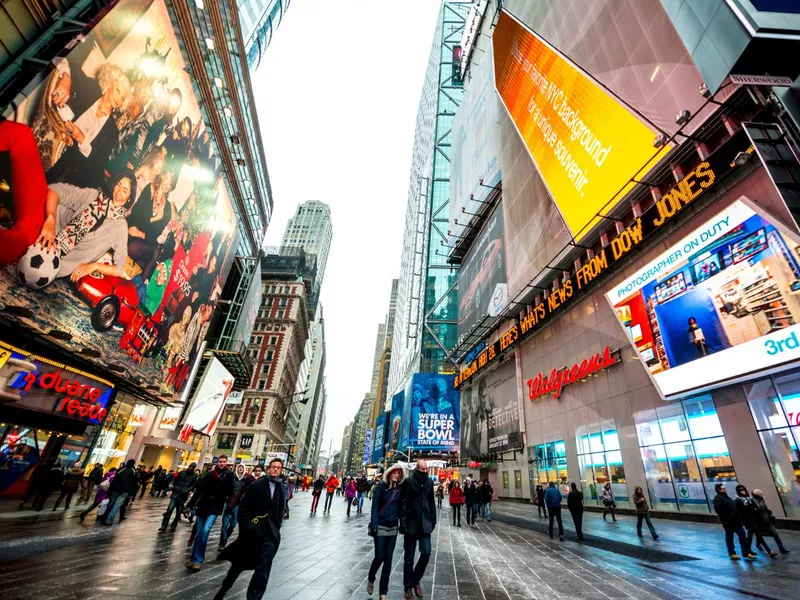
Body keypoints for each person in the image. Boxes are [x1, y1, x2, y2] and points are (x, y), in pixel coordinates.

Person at [32, 171, 136, 282]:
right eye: (118, 184)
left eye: (125, 191)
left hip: (59, 263)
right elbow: (55, 189)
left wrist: (95, 266)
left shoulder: (120, 227)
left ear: (129, 198)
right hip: (47, 229)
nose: (119, 192)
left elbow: (119, 269)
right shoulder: (94, 195)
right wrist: (50, 219)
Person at [213, 458, 288, 600]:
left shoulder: (281, 488)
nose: (276, 470)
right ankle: (223, 590)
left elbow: (280, 509)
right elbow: (243, 509)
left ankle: (254, 597)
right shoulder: (256, 485)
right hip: (252, 535)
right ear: (268, 468)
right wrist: (248, 529)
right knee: (237, 567)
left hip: (270, 536)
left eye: (279, 467)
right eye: (273, 467)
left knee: (263, 570)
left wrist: (276, 529)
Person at [187, 455, 235, 570]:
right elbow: (199, 490)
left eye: (224, 462)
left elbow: (231, 492)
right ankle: (194, 559)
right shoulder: (209, 475)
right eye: (220, 462)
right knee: (199, 533)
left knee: (205, 530)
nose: (222, 464)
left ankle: (198, 560)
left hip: (215, 508)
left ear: (226, 463)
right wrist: (191, 504)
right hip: (202, 507)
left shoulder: (229, 475)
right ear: (217, 462)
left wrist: (230, 506)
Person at [399, 460, 436, 600]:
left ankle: (415, 580)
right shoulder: (408, 482)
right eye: (423, 469)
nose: (425, 471)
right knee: (408, 558)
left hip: (425, 524)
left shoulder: (430, 483)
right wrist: (403, 523)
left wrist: (433, 520)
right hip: (410, 524)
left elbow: (431, 502)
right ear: (417, 468)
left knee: (426, 553)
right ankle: (407, 588)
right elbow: (403, 502)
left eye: (427, 469)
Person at [368, 464, 404, 600]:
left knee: (388, 561)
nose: (396, 475)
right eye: (394, 473)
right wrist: (375, 525)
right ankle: (371, 577)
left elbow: (401, 507)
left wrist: (402, 524)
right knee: (379, 556)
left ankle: (383, 592)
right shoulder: (380, 487)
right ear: (389, 473)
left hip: (393, 528)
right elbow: (375, 506)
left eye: (398, 473)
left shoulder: (400, 489)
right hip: (381, 527)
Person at [713, 483, 755, 560]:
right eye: (722, 488)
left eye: (724, 488)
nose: (724, 489)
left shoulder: (726, 497)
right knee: (730, 536)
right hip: (728, 522)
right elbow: (719, 511)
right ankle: (732, 552)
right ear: (719, 490)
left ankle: (745, 552)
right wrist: (728, 518)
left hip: (736, 520)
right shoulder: (718, 499)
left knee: (742, 534)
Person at [159, 462, 199, 532]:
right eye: (190, 466)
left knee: (178, 512)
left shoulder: (194, 476)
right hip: (176, 494)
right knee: (169, 510)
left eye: (192, 467)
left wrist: (187, 490)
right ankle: (164, 525)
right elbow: (175, 481)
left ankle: (174, 524)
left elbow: (193, 485)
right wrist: (175, 488)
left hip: (183, 496)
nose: (191, 468)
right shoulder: (182, 473)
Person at [735, 484, 773, 557]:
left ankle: (747, 551)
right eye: (741, 490)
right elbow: (741, 512)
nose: (743, 491)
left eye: (743, 489)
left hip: (754, 520)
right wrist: (745, 521)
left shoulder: (749, 499)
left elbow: (754, 508)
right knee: (759, 535)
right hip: (749, 521)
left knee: (750, 537)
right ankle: (769, 551)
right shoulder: (738, 500)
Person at [219, 464, 250, 550]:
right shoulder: (232, 478)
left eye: (242, 468)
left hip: (238, 505)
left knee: (233, 524)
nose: (240, 469)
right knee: (224, 524)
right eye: (239, 467)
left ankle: (225, 539)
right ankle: (222, 542)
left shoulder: (246, 480)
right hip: (229, 503)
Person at [751, 489, 790, 555]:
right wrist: (761, 501)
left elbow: (764, 508)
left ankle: (781, 548)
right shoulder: (755, 500)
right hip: (761, 520)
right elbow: (761, 507)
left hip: (766, 519)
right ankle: (758, 545)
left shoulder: (759, 499)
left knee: (774, 533)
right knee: (760, 534)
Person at [103, 459, 138, 525]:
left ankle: (104, 517)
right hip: (125, 490)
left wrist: (111, 488)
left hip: (116, 489)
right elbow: (133, 483)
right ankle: (109, 520)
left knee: (111, 503)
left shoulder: (121, 469)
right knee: (117, 505)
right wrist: (131, 492)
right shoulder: (133, 471)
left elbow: (115, 479)